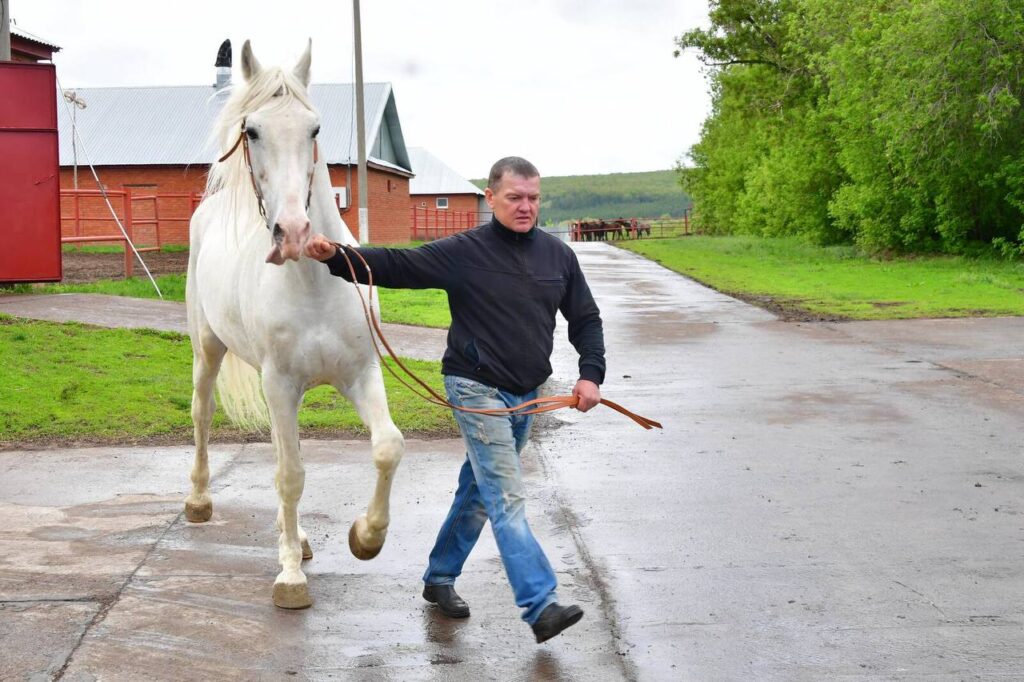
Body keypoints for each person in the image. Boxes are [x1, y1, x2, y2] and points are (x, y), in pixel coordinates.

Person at [305, 156, 605, 643]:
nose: (525, 206)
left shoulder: (558, 256)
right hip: (475, 387)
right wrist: (336, 256)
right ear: (491, 197)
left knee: (479, 492)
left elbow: (586, 319)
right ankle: (540, 603)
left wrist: (591, 374)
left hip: (527, 395)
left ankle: (440, 575)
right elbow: (399, 264)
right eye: (515, 197)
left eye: (533, 198)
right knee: (506, 495)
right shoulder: (466, 251)